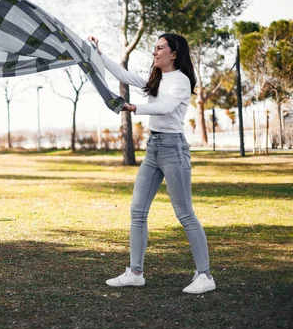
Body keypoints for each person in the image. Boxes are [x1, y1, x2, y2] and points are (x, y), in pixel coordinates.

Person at [89, 33, 216, 294]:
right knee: (137, 210)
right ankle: (135, 272)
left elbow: (168, 107)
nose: (155, 52)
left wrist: (133, 107)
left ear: (174, 53)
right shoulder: (157, 79)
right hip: (154, 148)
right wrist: (98, 54)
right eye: (154, 48)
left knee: (184, 213)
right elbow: (124, 75)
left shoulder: (180, 80)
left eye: (160, 48)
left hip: (173, 149)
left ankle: (205, 276)